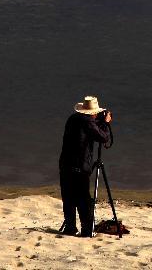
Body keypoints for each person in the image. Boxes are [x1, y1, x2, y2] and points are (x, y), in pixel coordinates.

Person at [58, 95, 112, 237]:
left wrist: (98, 122)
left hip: (65, 164)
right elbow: (104, 137)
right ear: (93, 112)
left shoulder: (72, 118)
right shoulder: (88, 122)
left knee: (68, 196)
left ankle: (70, 227)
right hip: (80, 166)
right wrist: (105, 123)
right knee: (83, 199)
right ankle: (87, 231)